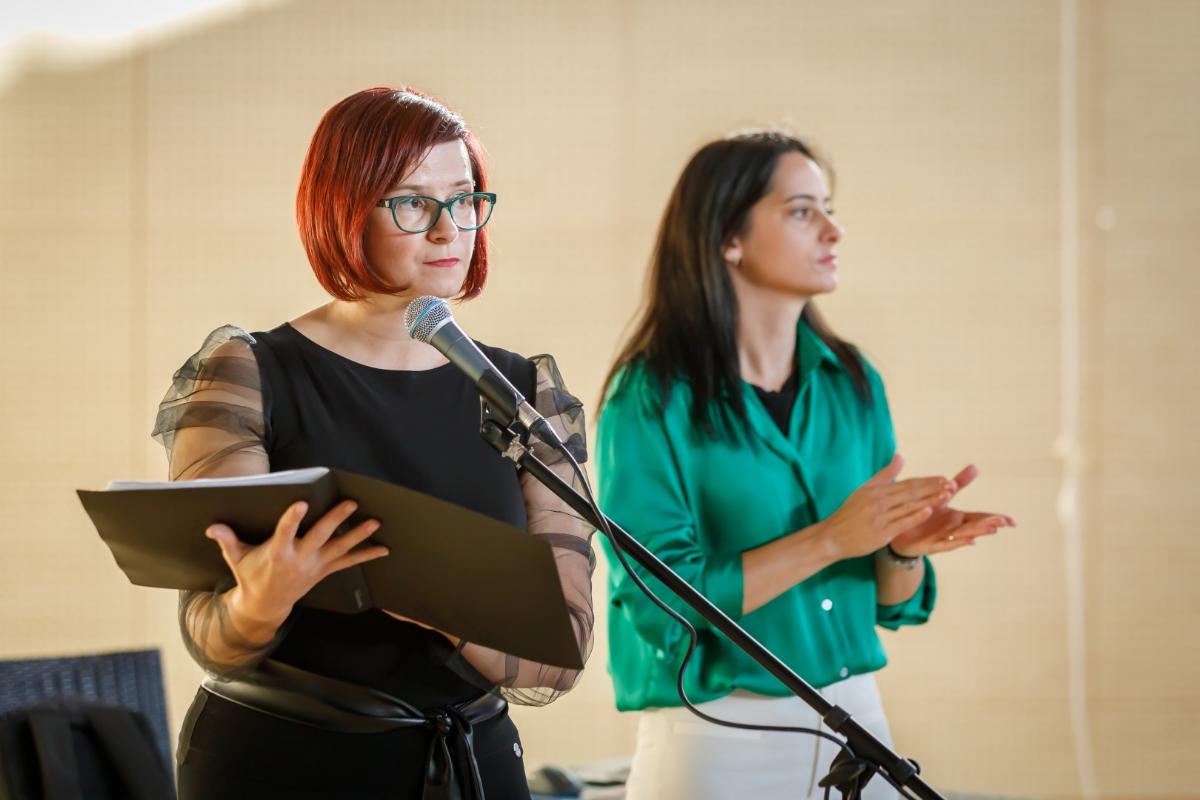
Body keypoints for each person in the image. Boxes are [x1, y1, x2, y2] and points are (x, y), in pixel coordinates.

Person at [153, 87, 595, 800]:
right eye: (414, 203)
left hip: (472, 763)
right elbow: (210, 633)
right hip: (284, 763)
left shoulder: (521, 392)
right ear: (343, 210)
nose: (449, 230)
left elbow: (560, 655)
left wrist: (436, 599)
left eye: (464, 199)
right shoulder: (247, 373)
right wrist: (261, 601)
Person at [595, 131, 1015, 800]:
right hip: (717, 740)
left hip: (859, 726)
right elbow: (660, 600)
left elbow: (890, 604)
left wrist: (899, 549)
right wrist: (831, 540)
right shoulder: (651, 397)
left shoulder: (853, 381)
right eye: (801, 211)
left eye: (829, 208)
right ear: (727, 237)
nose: (833, 230)